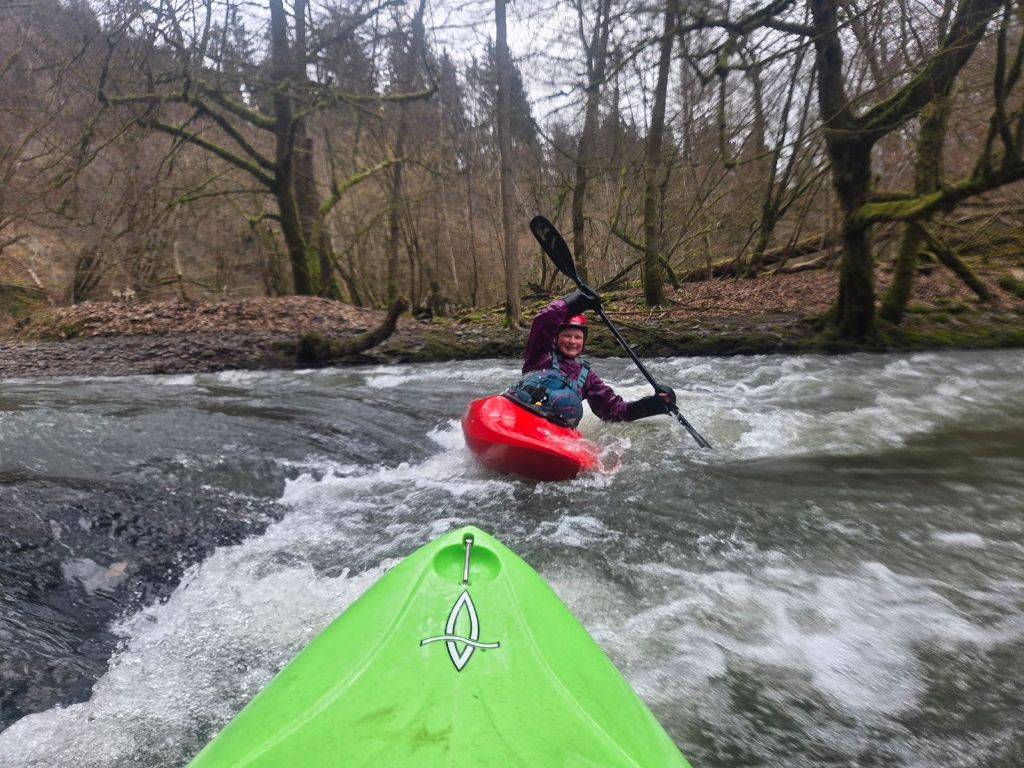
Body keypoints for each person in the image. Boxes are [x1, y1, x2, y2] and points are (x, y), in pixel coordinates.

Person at [504, 290, 676, 428]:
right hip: (521, 416)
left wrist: (654, 405)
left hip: (553, 432)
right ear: (556, 338)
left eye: (577, 337)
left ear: (583, 341)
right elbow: (543, 321)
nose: (572, 341)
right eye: (567, 336)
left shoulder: (587, 377)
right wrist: (574, 301)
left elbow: (614, 412)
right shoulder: (540, 354)